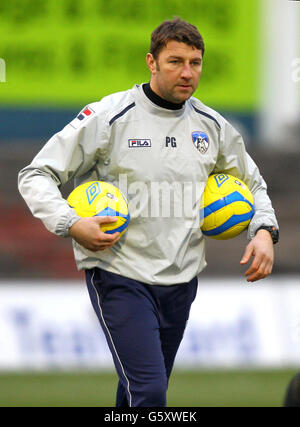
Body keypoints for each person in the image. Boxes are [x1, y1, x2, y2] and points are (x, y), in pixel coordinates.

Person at [18, 18, 279, 407]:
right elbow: (36, 173)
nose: (187, 72)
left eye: (195, 62)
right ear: (151, 62)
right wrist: (71, 223)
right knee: (150, 393)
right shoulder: (109, 116)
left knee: (136, 394)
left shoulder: (212, 125)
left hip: (182, 279)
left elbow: (253, 183)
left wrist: (262, 230)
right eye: (175, 61)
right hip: (119, 275)